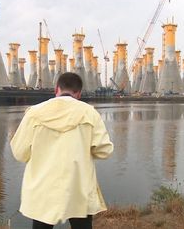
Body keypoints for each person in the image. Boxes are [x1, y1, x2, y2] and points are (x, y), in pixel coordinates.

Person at [10, 72, 113, 229]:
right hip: (78, 187)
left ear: (56, 89)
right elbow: (104, 151)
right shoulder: (89, 113)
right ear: (78, 93)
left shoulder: (34, 113)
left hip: (43, 188)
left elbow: (19, 152)